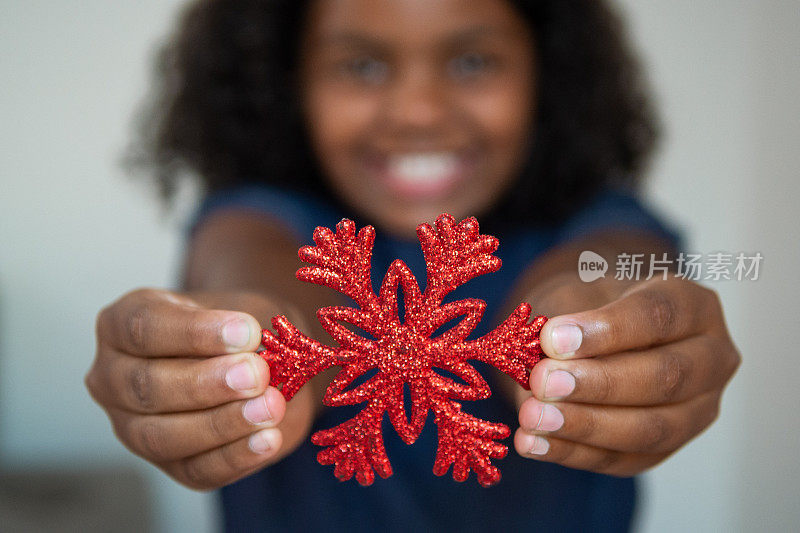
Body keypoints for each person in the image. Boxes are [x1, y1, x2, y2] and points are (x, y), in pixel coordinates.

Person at [86, 0, 740, 530]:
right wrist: (248, 338)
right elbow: (248, 265)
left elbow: (618, 264)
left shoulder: (596, 221)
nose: (419, 111)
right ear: (287, 81)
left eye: (474, 60)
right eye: (363, 67)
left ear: (550, 72)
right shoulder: (260, 217)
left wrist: (598, 329)